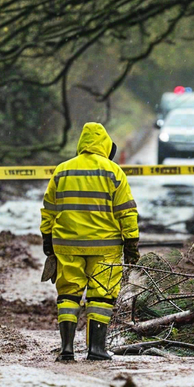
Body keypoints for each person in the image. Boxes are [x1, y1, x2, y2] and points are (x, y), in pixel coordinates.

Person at [40, 123, 140, 362]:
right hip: (104, 246)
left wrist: (47, 239)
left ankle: (66, 349)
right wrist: (131, 243)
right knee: (101, 296)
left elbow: (49, 210)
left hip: (68, 245)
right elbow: (126, 211)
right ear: (105, 145)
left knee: (68, 295)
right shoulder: (113, 171)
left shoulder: (62, 171)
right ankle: (96, 349)